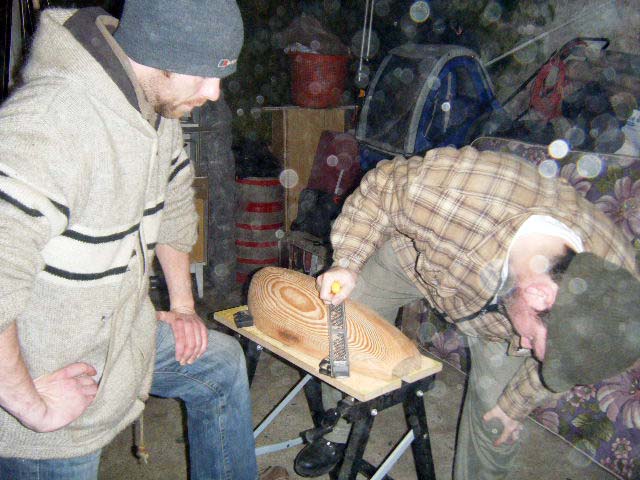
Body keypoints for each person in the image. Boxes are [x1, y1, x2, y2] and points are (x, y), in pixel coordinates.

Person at [0, 1, 287, 479]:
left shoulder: (151, 105)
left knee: (217, 364)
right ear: (158, 54)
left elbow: (175, 197)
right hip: (47, 387)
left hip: (120, 338)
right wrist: (30, 405)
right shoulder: (51, 123)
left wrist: (181, 307)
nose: (214, 93)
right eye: (202, 75)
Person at [294, 145, 640, 479]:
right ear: (539, 294)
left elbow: (560, 363)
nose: (522, 345)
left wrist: (513, 406)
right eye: (532, 340)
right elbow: (383, 186)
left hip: (495, 321)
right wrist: (348, 263)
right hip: (421, 260)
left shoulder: (618, 301)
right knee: (342, 322)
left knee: (497, 423)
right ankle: (337, 430)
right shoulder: (463, 192)